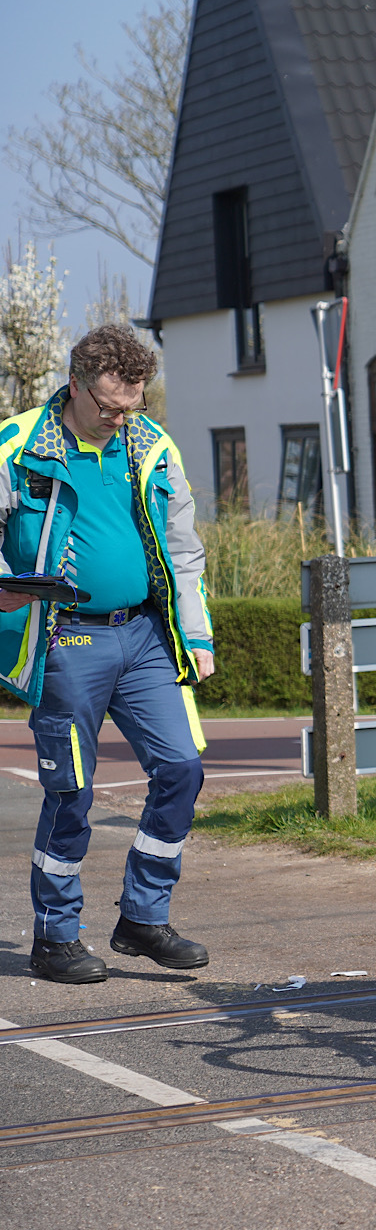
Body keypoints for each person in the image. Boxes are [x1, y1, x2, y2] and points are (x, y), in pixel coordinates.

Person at [0, 324, 216, 984]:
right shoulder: (17, 447)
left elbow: (183, 551)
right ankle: (55, 937)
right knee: (72, 791)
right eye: (110, 407)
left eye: (133, 407)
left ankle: (143, 918)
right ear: (76, 386)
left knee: (182, 769)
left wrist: (198, 634)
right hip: (67, 638)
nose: (121, 419)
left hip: (145, 637)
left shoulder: (151, 446)